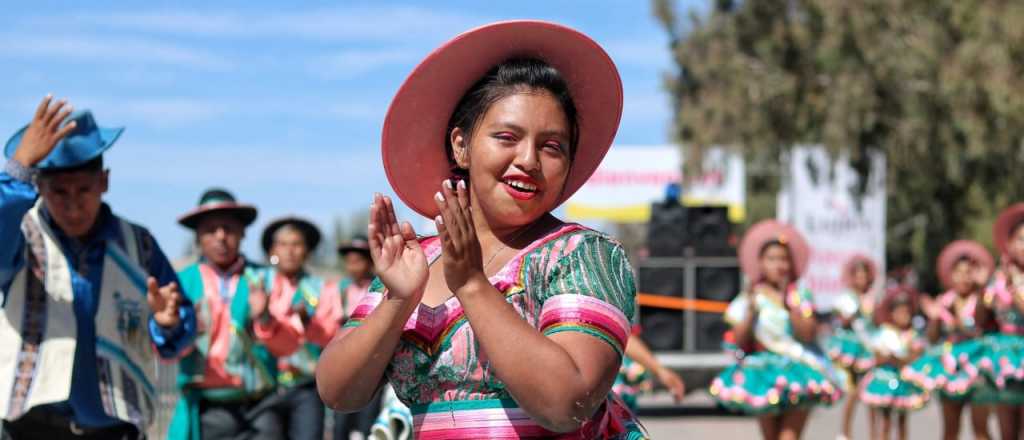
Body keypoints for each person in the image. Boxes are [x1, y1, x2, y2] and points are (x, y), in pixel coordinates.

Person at [316, 20, 645, 438]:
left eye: (551, 146)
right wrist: (398, 300)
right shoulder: (419, 260)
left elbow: (567, 403)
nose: (528, 159)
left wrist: (471, 284)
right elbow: (337, 392)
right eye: (507, 137)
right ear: (461, 145)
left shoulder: (581, 255)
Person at [0, 96, 197, 439]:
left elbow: (178, 335)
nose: (73, 206)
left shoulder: (139, 246)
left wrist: (168, 324)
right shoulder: (20, 236)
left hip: (114, 427)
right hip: (30, 428)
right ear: (39, 187)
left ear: (103, 182)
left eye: (84, 190)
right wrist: (17, 169)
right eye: (59, 192)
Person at [169, 189, 301, 440]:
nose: (221, 236)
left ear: (242, 233)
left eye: (228, 228)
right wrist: (178, 330)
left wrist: (264, 318)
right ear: (198, 236)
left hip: (261, 408)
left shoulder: (269, 280)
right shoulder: (182, 283)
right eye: (211, 229)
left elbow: (290, 345)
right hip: (206, 408)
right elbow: (163, 349)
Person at [710, 220, 845, 440]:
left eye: (784, 259)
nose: (779, 265)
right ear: (761, 263)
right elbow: (739, 340)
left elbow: (808, 333)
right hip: (763, 372)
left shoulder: (799, 294)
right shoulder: (751, 296)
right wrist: (751, 312)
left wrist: (788, 303)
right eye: (772, 259)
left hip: (799, 370)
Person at [903, 240, 995, 440]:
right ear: (950, 275)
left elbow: (980, 321)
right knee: (950, 430)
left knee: (981, 428)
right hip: (950, 368)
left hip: (977, 366)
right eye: (959, 272)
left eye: (968, 272)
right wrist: (936, 318)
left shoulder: (981, 298)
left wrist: (982, 290)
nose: (964, 277)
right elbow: (932, 338)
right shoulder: (944, 301)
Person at [259, 217, 338, 440]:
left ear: (307, 251)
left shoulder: (322, 288)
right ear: (273, 250)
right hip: (264, 388)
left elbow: (331, 335)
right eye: (283, 244)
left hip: (306, 388)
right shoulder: (258, 283)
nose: (290, 251)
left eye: (296, 244)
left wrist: (307, 322)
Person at [959, 204, 1024, 440]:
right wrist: (982, 290)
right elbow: (980, 321)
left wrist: (1015, 287)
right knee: (1008, 431)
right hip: (1005, 356)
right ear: (1010, 243)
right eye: (1020, 240)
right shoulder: (998, 278)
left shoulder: (1012, 281)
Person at [859, 287, 929, 440]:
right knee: (885, 421)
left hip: (903, 384)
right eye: (900, 312)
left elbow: (915, 357)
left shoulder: (912, 335)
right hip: (885, 381)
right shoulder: (885, 333)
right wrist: (890, 359)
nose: (904, 315)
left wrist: (897, 360)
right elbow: (877, 357)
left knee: (903, 421)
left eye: (907, 312)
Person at [332, 235, 383, 440]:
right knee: (341, 423)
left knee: (368, 422)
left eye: (358, 261)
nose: (353, 267)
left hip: (372, 364)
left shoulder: (378, 287)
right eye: (350, 262)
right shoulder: (340, 289)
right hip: (345, 363)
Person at [825, 255, 879, 440]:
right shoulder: (846, 297)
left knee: (873, 394)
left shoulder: (872, 297)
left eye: (864, 275)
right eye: (858, 275)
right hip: (852, 348)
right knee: (853, 393)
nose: (861, 279)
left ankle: (875, 434)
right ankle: (845, 432)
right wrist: (855, 310)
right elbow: (843, 320)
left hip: (868, 349)